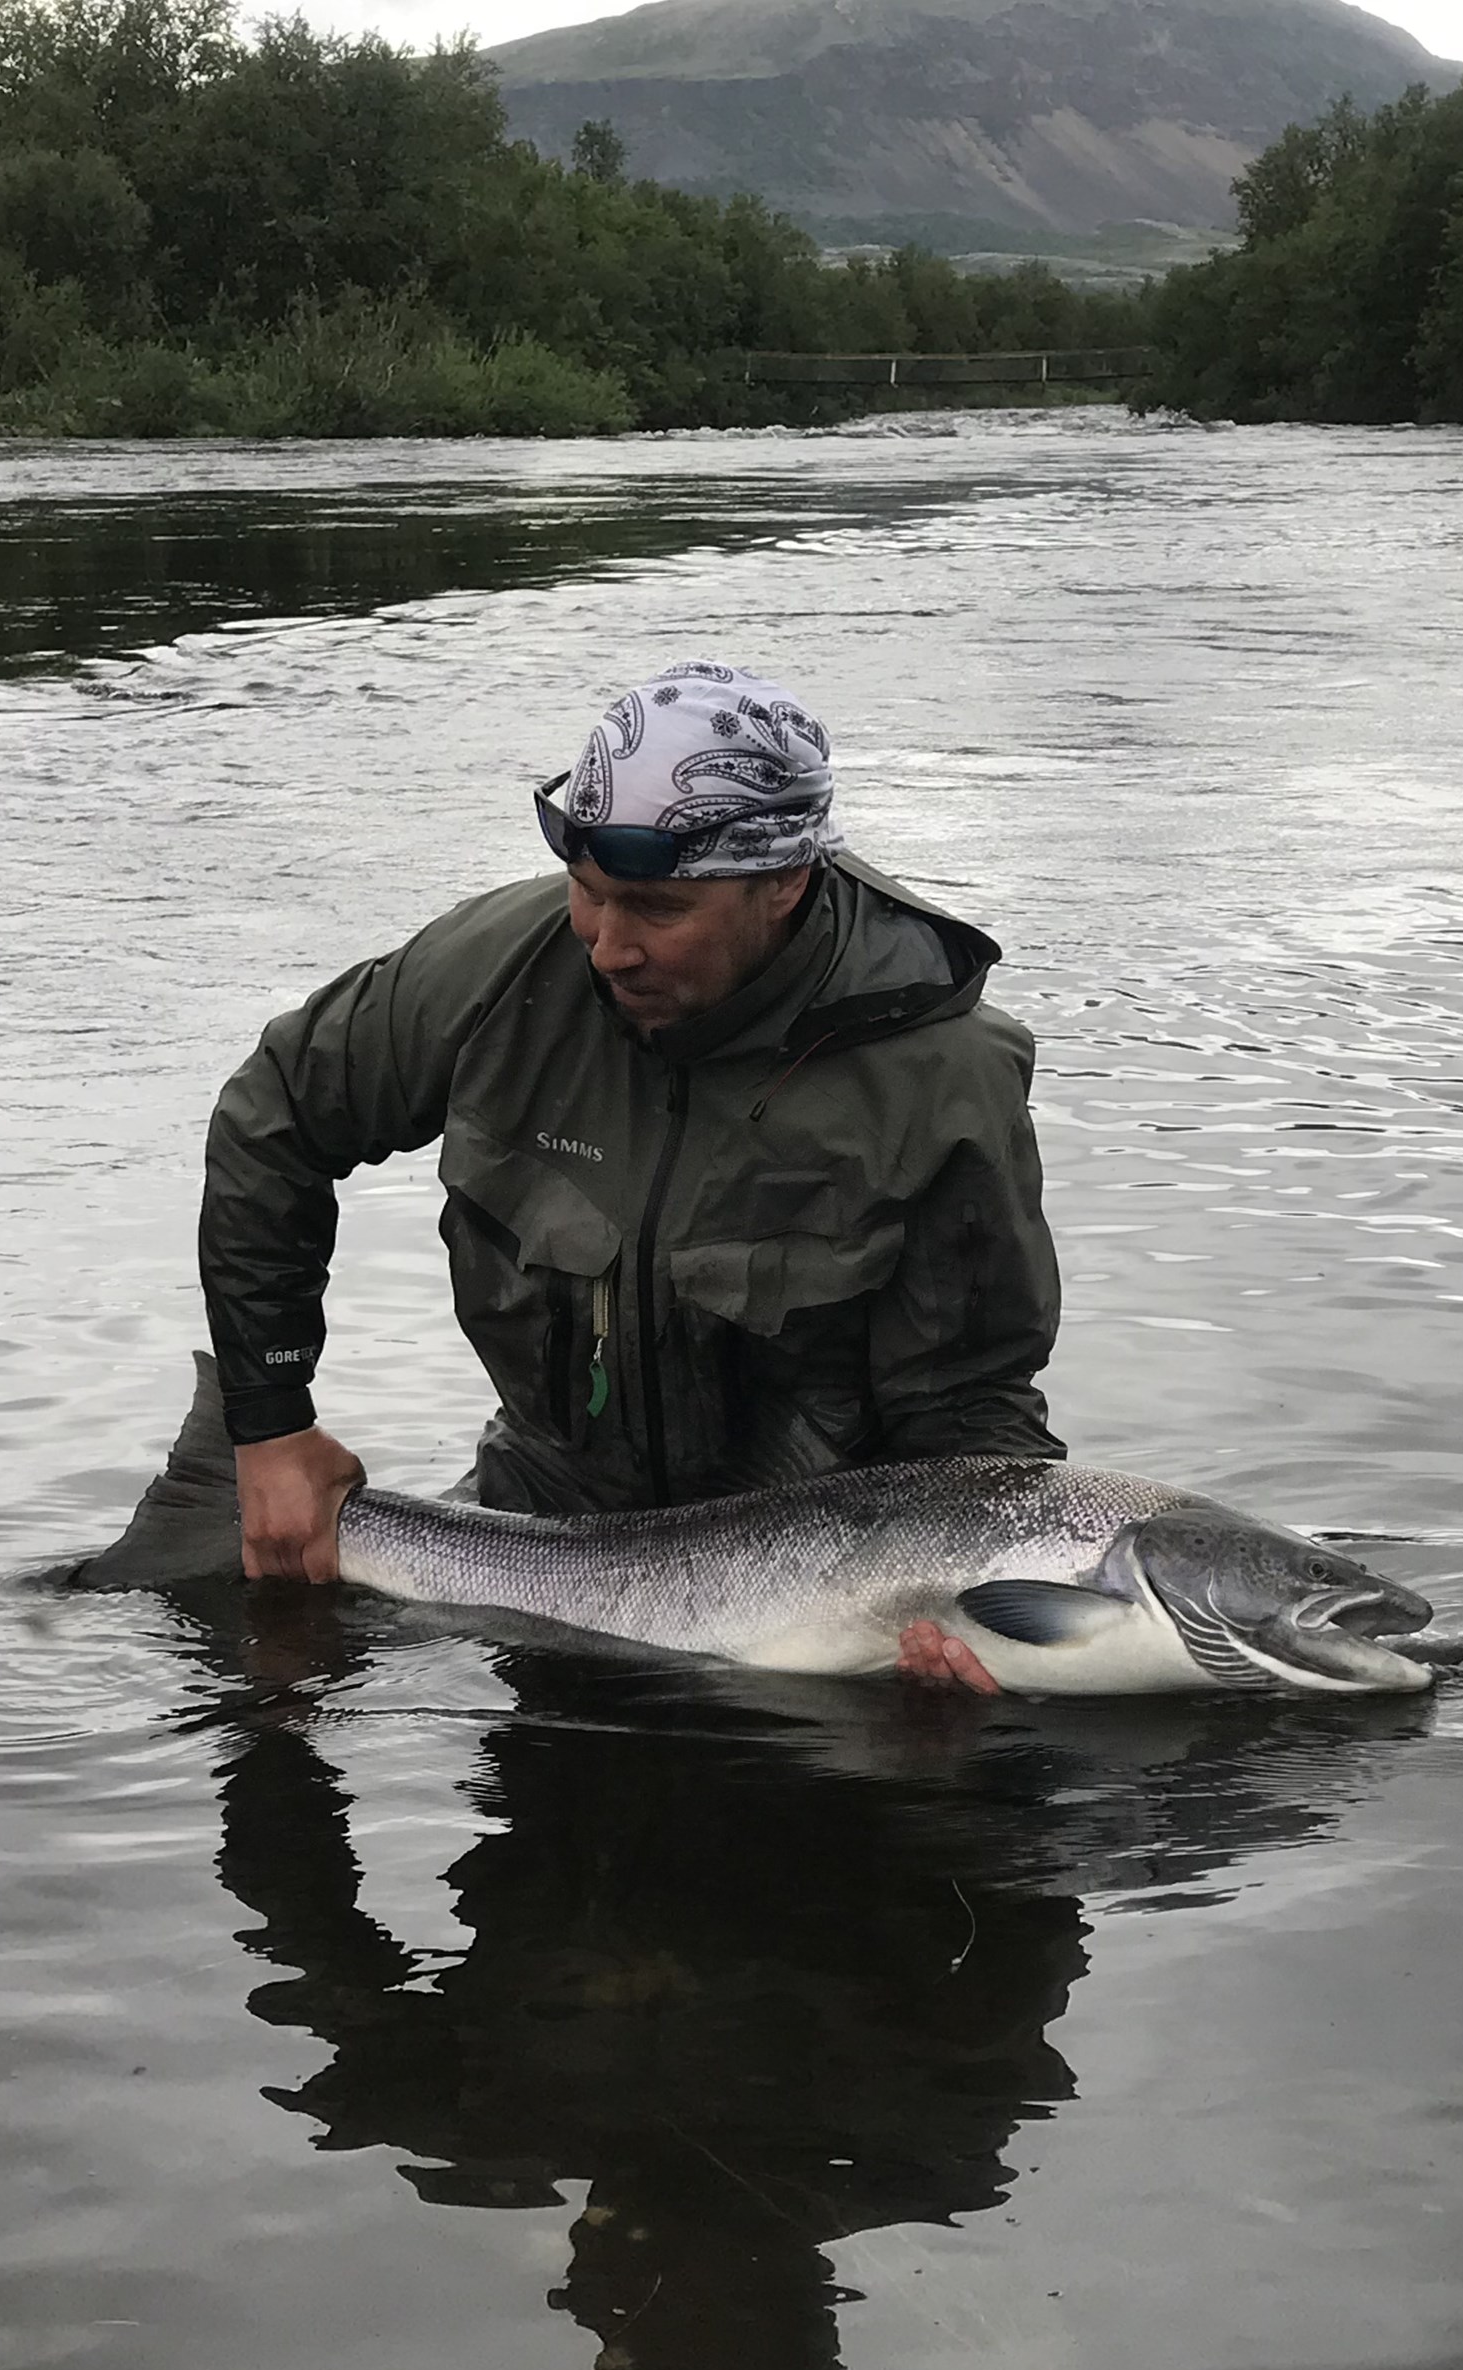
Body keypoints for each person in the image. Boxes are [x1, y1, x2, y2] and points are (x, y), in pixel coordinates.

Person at [196, 661, 1062, 1684]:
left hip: (810, 1610)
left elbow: (967, 1410)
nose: (606, 947)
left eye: (654, 907)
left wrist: (969, 1623)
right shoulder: (496, 974)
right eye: (587, 891)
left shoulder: (937, 1075)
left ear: (783, 884)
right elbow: (275, 1115)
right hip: (532, 1553)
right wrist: (268, 1425)